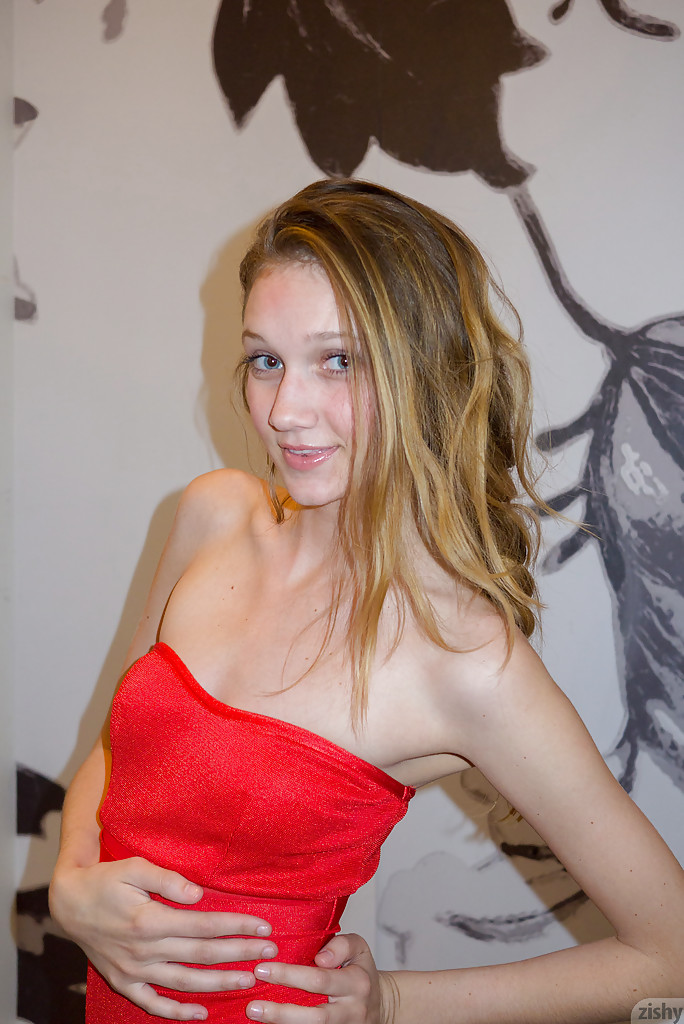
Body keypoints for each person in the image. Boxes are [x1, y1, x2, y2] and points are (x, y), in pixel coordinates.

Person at [49, 179, 684, 1023]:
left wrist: (390, 1001)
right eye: (266, 361)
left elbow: (669, 954)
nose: (285, 410)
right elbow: (117, 746)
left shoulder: (462, 659)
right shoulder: (212, 515)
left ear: (426, 372)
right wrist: (70, 880)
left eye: (338, 361)